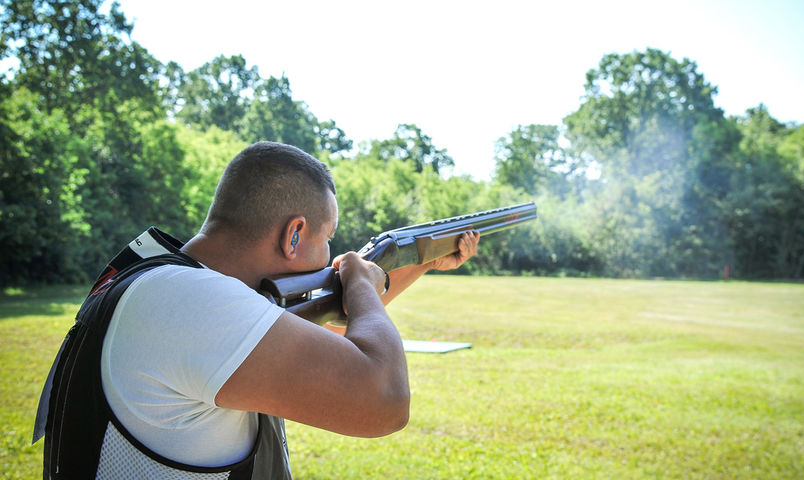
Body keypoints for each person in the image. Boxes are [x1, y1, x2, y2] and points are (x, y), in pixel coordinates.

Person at [35, 141, 479, 479]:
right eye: (326, 240)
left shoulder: (167, 287)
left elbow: (333, 338)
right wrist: (360, 282)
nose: (328, 257)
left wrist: (420, 261)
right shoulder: (188, 301)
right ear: (293, 235)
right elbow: (384, 400)